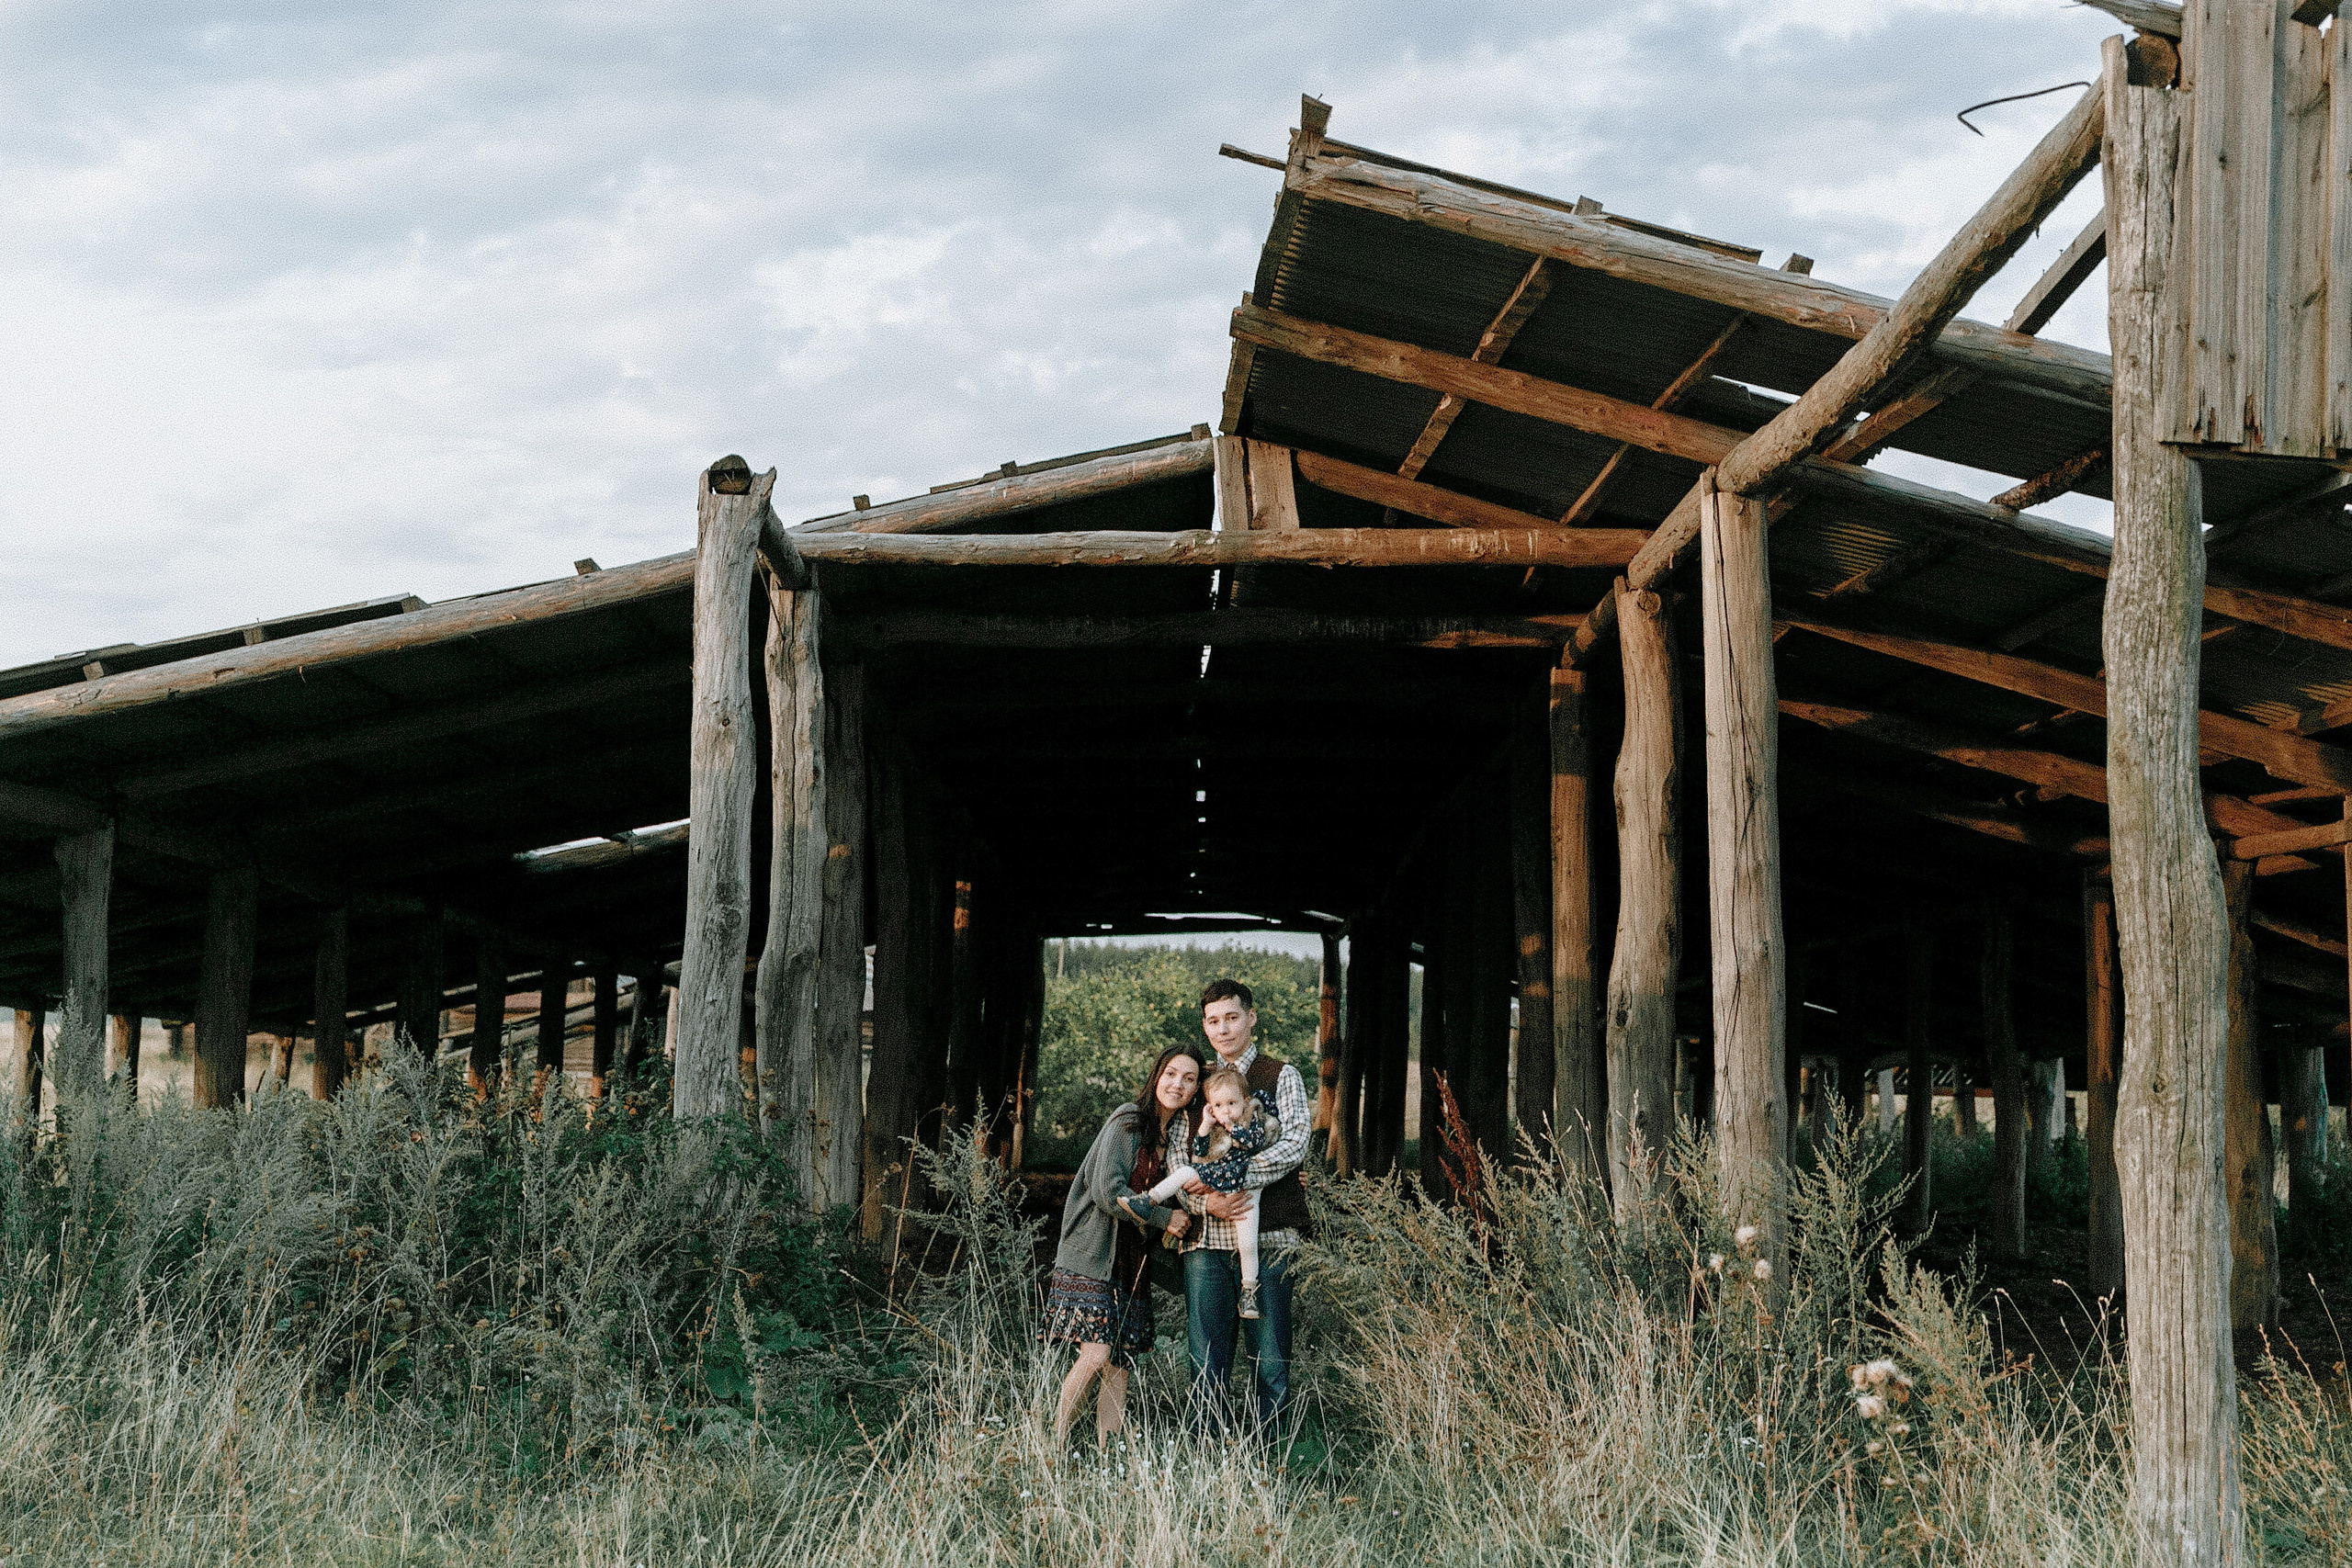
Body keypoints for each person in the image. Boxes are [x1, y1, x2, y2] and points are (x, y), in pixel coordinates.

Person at [1168, 977, 1311, 1436]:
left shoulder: (1281, 1074)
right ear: (1205, 1027)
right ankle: (1210, 1460)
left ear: (1251, 1018)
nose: (1223, 1029)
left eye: (1232, 1017)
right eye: (1213, 1021)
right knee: (1206, 1359)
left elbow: (1293, 1145)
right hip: (1207, 1239)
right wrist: (1206, 1199)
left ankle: (1270, 1459)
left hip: (1267, 1235)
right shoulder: (1196, 1080)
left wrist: (1231, 1177)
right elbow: (1177, 1153)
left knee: (1270, 1358)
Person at [1039, 1045, 1199, 1449]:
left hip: (1134, 1259)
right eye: (1171, 1074)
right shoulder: (1129, 1121)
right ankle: (1052, 1446)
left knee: (1120, 1362)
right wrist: (1165, 1219)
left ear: (1197, 1090)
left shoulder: (1176, 1139)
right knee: (1096, 1354)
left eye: (1189, 1079)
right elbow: (1107, 1191)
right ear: (1156, 1075)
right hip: (1094, 1254)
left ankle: (1108, 1456)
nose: (1177, 1085)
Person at [1125, 1065, 1279, 1317]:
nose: (1225, 1110)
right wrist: (1207, 1124)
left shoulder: (1253, 1119)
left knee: (1248, 1241)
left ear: (1245, 1101)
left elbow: (1251, 1143)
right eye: (1218, 1105)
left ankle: (1249, 1290)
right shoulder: (1216, 1122)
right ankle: (1148, 1200)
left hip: (1246, 1185)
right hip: (1217, 1175)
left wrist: (1231, 1126)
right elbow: (1199, 1151)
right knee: (1184, 1173)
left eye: (1231, 1103)